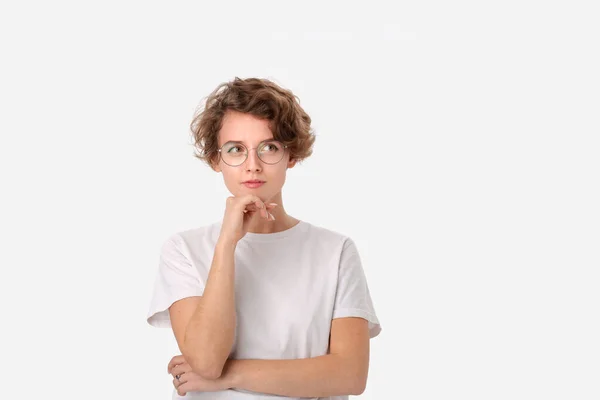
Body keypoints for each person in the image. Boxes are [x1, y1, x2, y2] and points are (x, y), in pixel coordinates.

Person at [146, 77, 382, 399]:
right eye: (235, 150)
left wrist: (228, 377)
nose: (252, 166)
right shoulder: (183, 250)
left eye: (269, 147)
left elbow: (350, 376)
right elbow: (205, 362)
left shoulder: (335, 251)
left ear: (292, 155)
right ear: (217, 160)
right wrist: (227, 244)